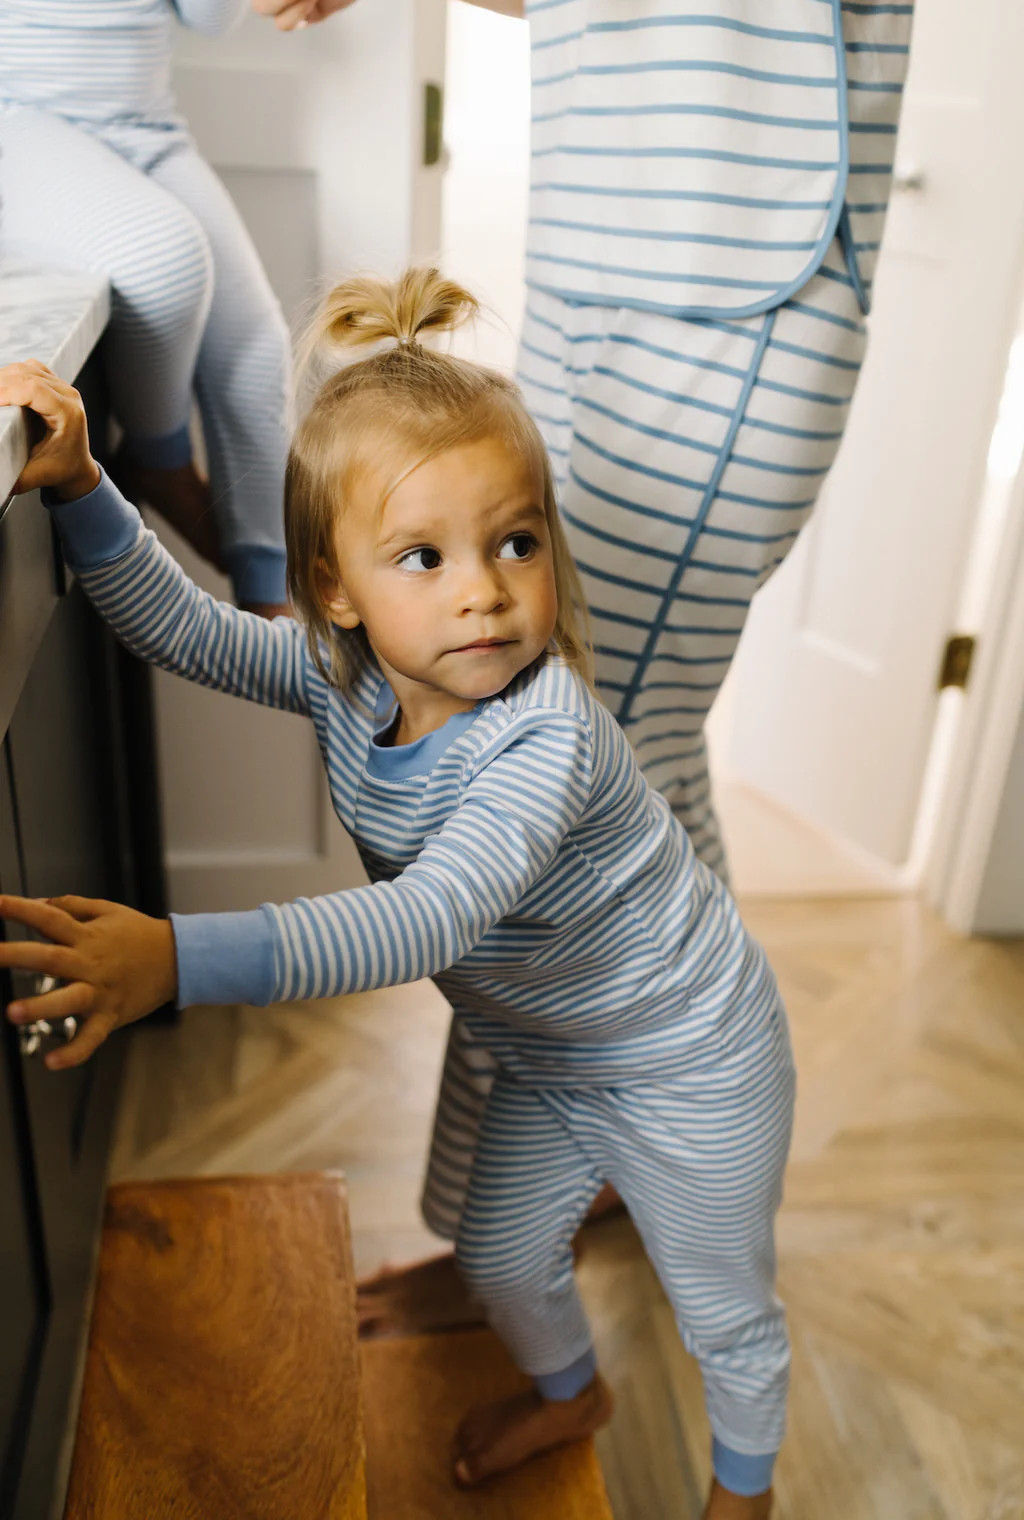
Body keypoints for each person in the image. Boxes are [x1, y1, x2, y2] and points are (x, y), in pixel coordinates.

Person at [0, 269, 796, 1518]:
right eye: (421, 556)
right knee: (495, 1254)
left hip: (691, 1053)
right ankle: (570, 1390)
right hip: (551, 1055)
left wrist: (178, 959)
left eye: (514, 543)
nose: (481, 588)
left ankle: (742, 1497)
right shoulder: (344, 678)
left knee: (720, 1307)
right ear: (335, 591)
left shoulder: (549, 739)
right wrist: (88, 488)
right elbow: (187, 631)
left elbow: (422, 918)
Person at [244, 0, 917, 1282]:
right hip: (608, 257)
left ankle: (502, 1241)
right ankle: (623, 1164)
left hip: (728, 306)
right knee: (643, 754)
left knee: (549, 803)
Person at [0, 0, 294, 616]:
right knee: (167, 260)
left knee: (259, 352)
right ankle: (159, 458)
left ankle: (282, 611)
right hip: (18, 124)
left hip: (145, 127)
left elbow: (212, 16)